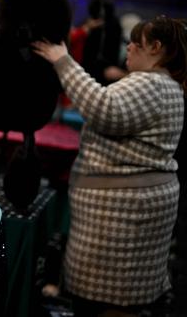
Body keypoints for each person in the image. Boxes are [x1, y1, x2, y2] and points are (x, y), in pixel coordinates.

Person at [32, 16, 187, 316]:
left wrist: (63, 62)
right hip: (133, 211)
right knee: (118, 301)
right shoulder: (165, 84)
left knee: (109, 305)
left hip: (123, 219)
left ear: (156, 48)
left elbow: (104, 109)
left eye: (136, 43)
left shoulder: (152, 82)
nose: (128, 47)